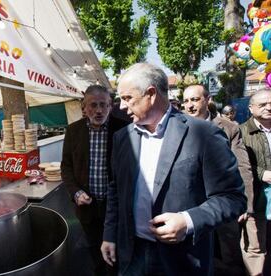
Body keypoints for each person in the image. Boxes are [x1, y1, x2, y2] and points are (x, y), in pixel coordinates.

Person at [101, 63, 247, 276]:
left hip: (183, 258)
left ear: (151, 94)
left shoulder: (204, 134)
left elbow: (233, 197)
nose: (121, 106)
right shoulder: (122, 137)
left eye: (127, 98)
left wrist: (188, 221)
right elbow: (115, 191)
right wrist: (110, 234)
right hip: (132, 254)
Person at [183, 84, 252, 276]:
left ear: (208, 100)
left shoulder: (229, 128)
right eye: (186, 100)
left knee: (230, 256)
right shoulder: (177, 127)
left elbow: (242, 167)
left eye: (194, 99)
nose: (189, 105)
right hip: (192, 205)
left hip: (223, 203)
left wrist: (243, 203)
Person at [61, 85, 129, 275]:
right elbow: (66, 166)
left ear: (110, 105)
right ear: (84, 107)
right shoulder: (73, 131)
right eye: (93, 105)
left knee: (117, 251)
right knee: (94, 251)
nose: (99, 110)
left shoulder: (123, 129)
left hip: (115, 207)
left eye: (103, 105)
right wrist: (76, 192)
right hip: (87, 207)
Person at [239, 89, 271, 276]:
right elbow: (238, 165)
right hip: (257, 197)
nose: (269, 107)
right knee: (255, 245)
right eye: (263, 104)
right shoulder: (241, 131)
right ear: (251, 108)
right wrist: (261, 173)